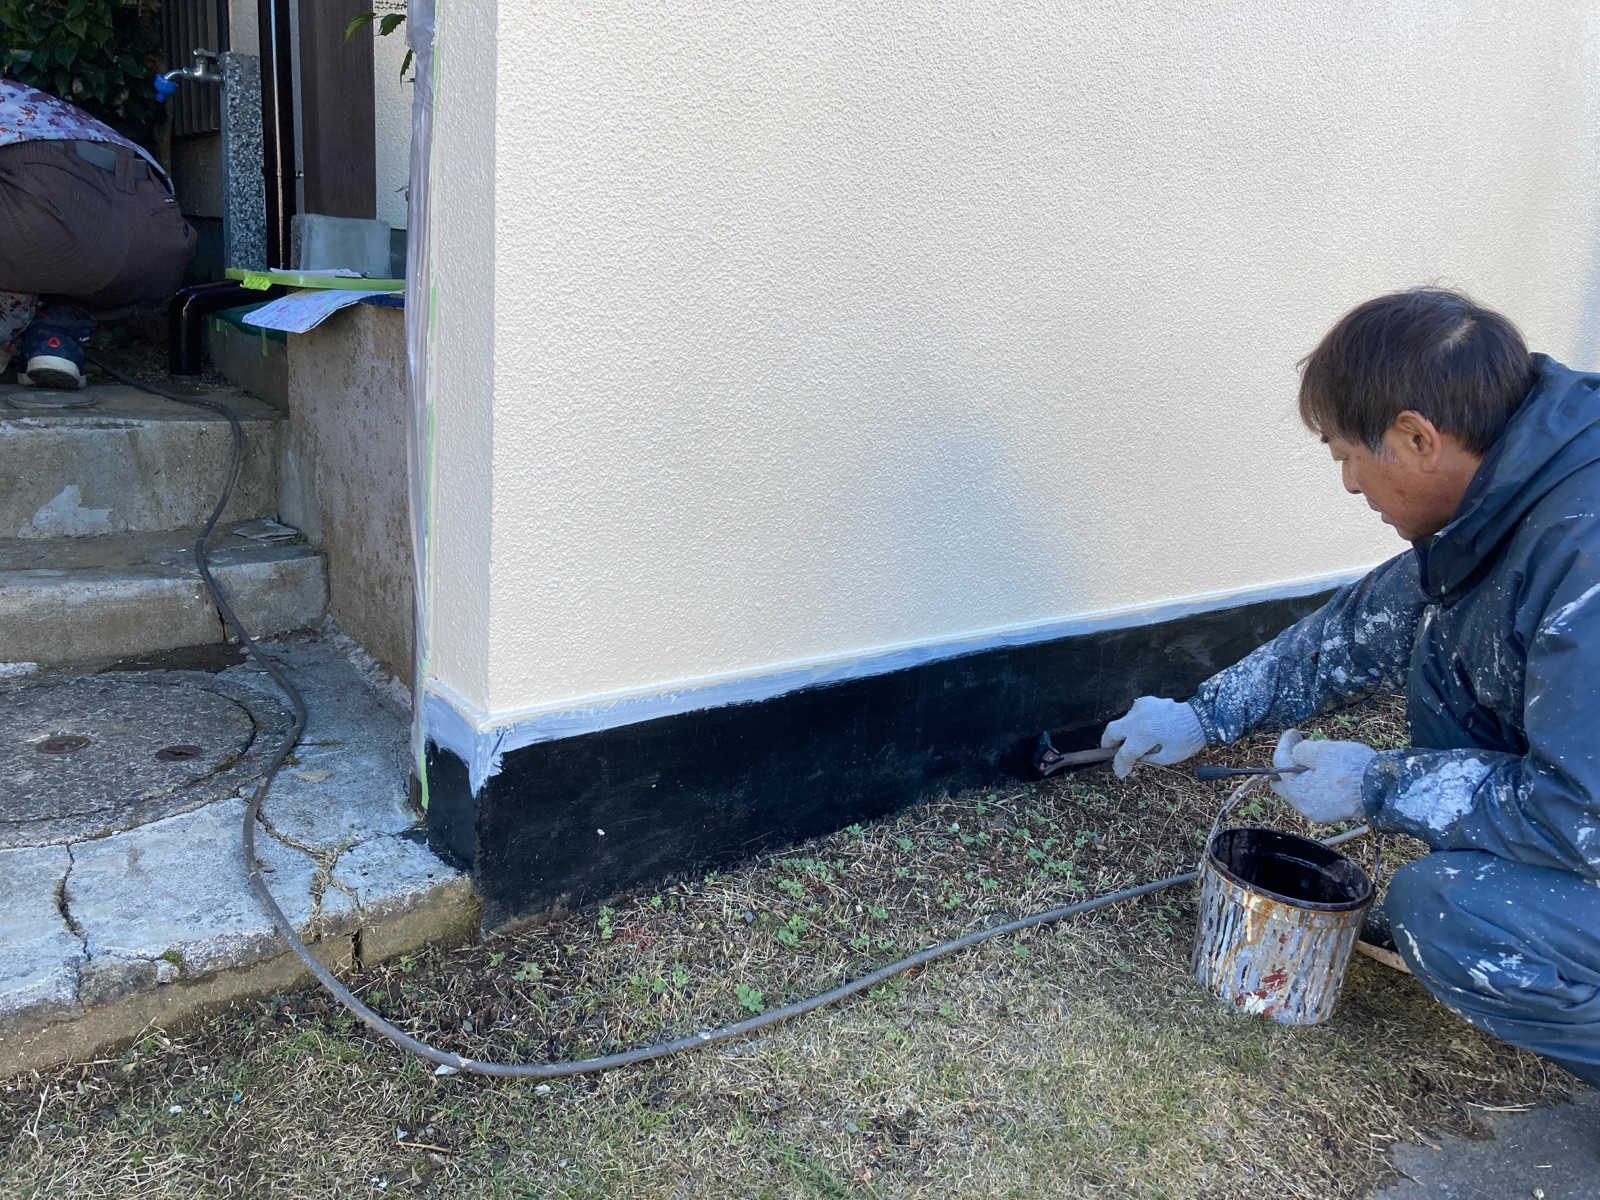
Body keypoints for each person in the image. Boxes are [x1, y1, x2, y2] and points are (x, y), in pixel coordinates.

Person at [1101, 288, 1600, 1088]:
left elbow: (1583, 814)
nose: (1348, 485)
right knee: (1443, 649)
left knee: (1446, 912)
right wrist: (1204, 715)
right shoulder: (1518, 494)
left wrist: (1379, 784)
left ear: (1416, 437)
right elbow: (1366, 626)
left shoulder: (1586, 559)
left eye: (1345, 456)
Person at [0, 76, 194, 389]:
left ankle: (27, 328)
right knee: (61, 268)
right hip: (159, 243)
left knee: (41, 246)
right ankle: (56, 334)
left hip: (45, 214)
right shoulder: (25, 99)